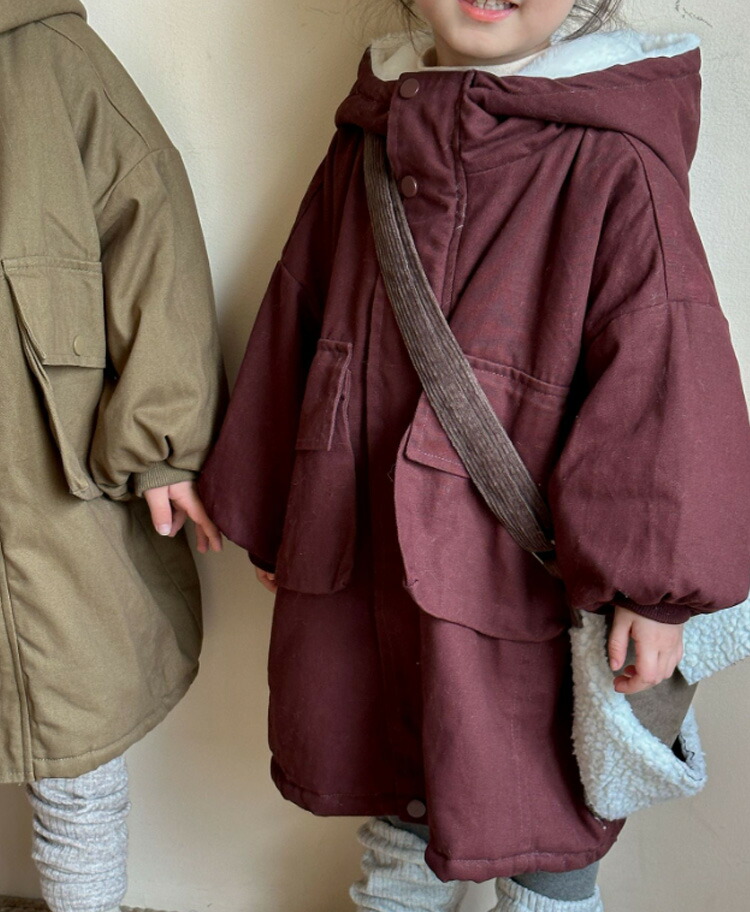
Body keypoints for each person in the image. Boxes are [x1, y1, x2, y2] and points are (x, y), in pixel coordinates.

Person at [198, 0, 750, 910]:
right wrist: (275, 515)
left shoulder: (612, 161)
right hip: (370, 560)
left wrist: (658, 589)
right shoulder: (368, 141)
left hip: (525, 586)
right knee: (398, 775)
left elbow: (666, 371)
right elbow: (302, 314)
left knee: (545, 816)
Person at [0, 1, 225, 910]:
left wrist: (163, 441)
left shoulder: (50, 58)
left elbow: (152, 224)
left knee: (75, 740)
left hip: (42, 491)